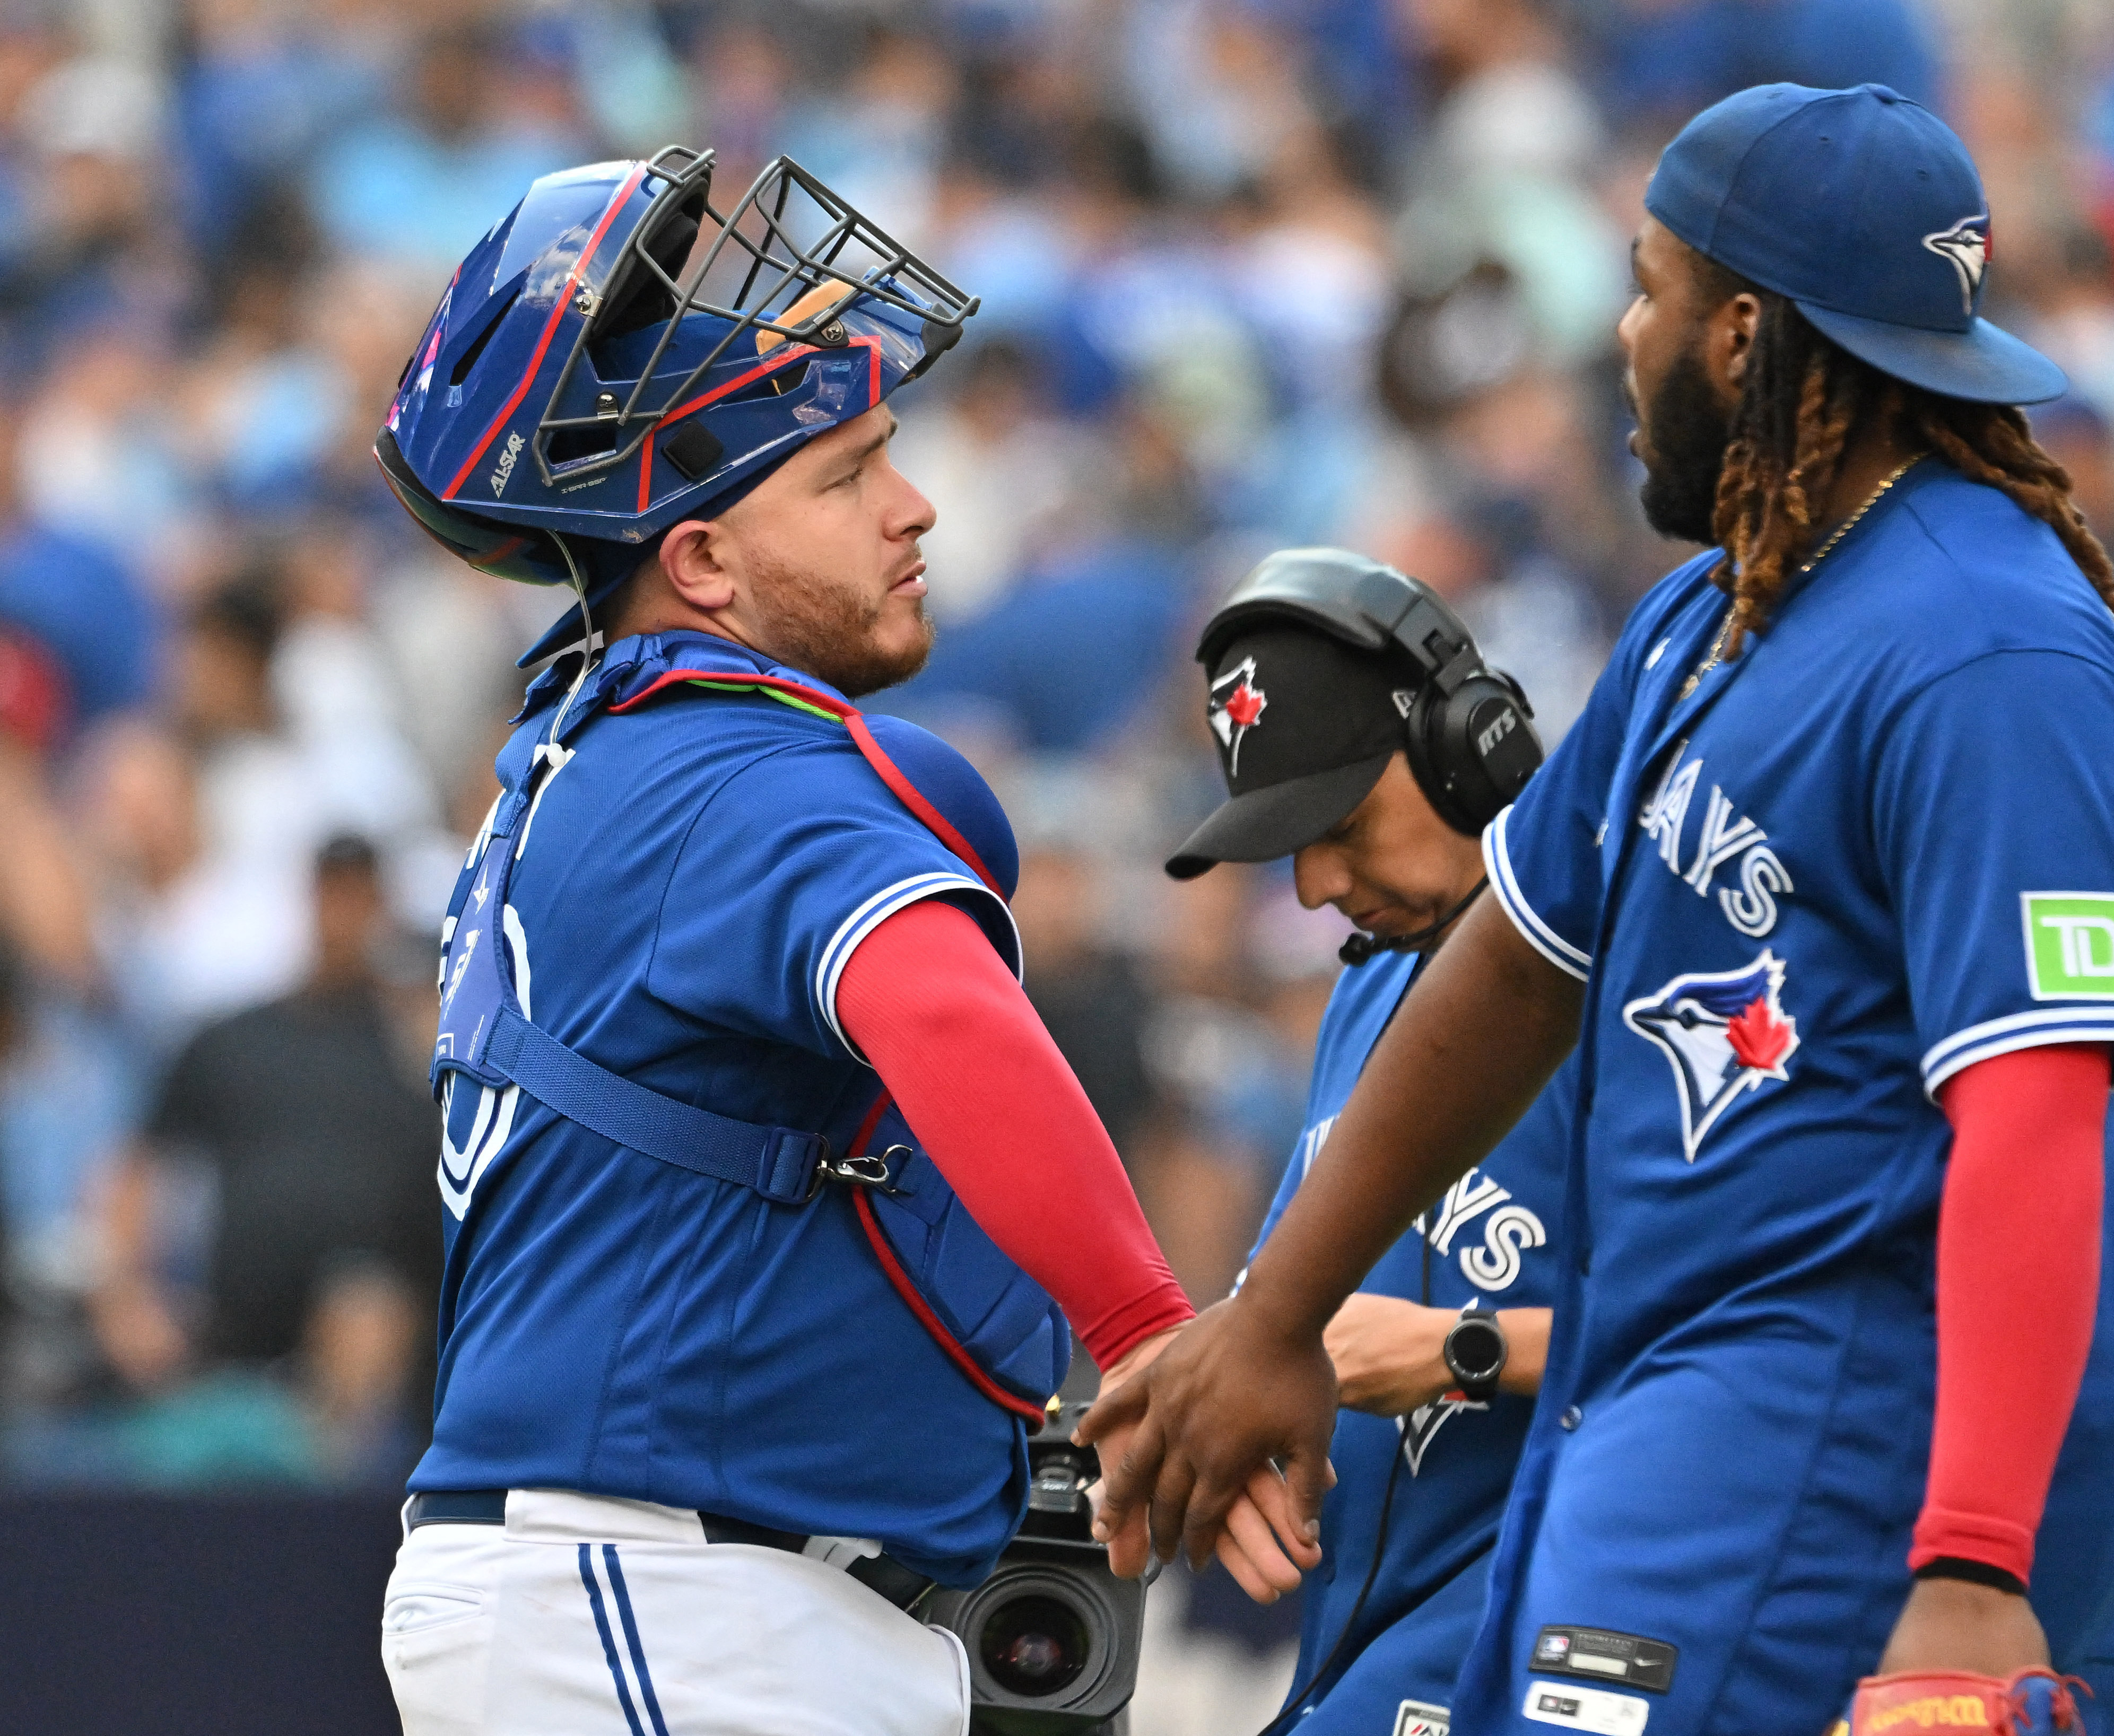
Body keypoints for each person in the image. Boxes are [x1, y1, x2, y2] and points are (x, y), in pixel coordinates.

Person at [1084, 83, 2114, 1736]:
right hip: (1681, 1399)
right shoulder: (1711, 617)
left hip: (1869, 1430)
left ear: (1743, 334)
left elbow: (2035, 1105)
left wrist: (1969, 1556)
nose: (1621, 333)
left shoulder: (1990, 650)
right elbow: (1515, 971)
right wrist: (1273, 1317)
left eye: (1647, 284)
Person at [369, 147, 1304, 1734]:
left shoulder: (610, 752)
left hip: (669, 1590)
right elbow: (948, 1019)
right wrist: (1160, 1337)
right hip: (666, 1593)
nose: (913, 500)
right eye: (845, 472)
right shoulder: (729, 768)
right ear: (704, 561)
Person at [1164, 546, 1566, 1734]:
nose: (1311, 885)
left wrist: (1469, 1349)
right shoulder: (1365, 991)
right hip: (1356, 1655)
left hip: (1552, 1644)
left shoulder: (1632, 983)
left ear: (1468, 749)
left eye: (1340, 821)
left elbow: (1763, 1332)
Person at [90, 832, 442, 1485]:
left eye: (360, 897)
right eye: (332, 893)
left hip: (368, 1364)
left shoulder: (414, 1057)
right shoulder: (237, 1039)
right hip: (225, 1341)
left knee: (368, 1304)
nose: (344, 914)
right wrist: (126, 1295)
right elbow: (139, 1163)